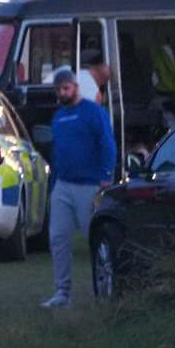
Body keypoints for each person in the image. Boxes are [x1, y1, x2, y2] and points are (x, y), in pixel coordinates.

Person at [41, 66, 117, 309]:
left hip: (89, 185)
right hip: (63, 184)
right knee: (58, 237)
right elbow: (57, 150)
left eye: (66, 88)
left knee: (93, 237)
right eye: (59, 89)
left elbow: (107, 143)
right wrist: (54, 183)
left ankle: (106, 289)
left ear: (75, 87)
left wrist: (106, 174)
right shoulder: (59, 117)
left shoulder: (93, 113)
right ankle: (62, 292)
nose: (62, 92)